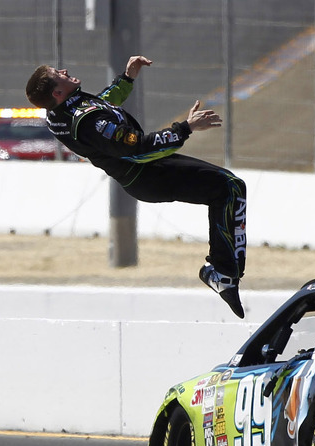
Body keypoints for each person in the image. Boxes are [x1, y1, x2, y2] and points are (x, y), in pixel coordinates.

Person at [25, 55, 246, 318]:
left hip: (150, 170)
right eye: (58, 73)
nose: (64, 70)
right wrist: (186, 128)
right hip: (150, 174)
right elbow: (138, 147)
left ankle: (223, 272)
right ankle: (222, 273)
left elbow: (102, 104)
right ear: (58, 91)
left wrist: (127, 78)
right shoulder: (86, 123)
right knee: (229, 188)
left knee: (230, 187)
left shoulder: (63, 111)